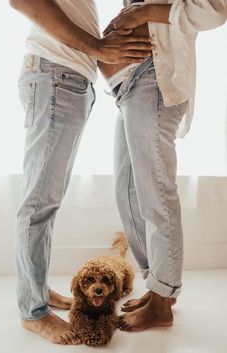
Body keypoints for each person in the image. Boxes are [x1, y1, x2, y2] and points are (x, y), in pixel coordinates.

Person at [9, 0, 152, 345]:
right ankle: (33, 311)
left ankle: (37, 290)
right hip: (57, 73)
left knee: (46, 202)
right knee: (39, 203)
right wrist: (98, 47)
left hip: (69, 78)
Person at [99, 0, 227, 332]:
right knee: (126, 193)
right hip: (127, 86)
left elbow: (215, 10)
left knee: (156, 194)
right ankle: (159, 285)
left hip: (154, 79)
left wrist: (141, 13)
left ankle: (161, 301)